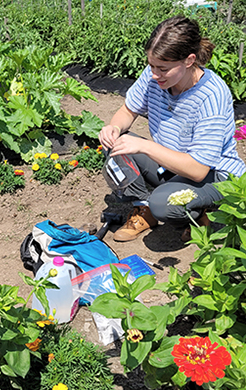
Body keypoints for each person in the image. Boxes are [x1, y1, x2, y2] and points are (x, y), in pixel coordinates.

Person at [99, 16, 246, 242]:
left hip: (213, 175)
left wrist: (146, 146)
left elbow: (198, 169)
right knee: (117, 145)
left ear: (189, 60)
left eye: (163, 69)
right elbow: (127, 111)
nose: (154, 74)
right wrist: (114, 127)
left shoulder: (211, 95)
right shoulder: (154, 77)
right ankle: (144, 207)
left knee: (163, 204)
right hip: (171, 165)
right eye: (151, 66)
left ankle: (201, 217)